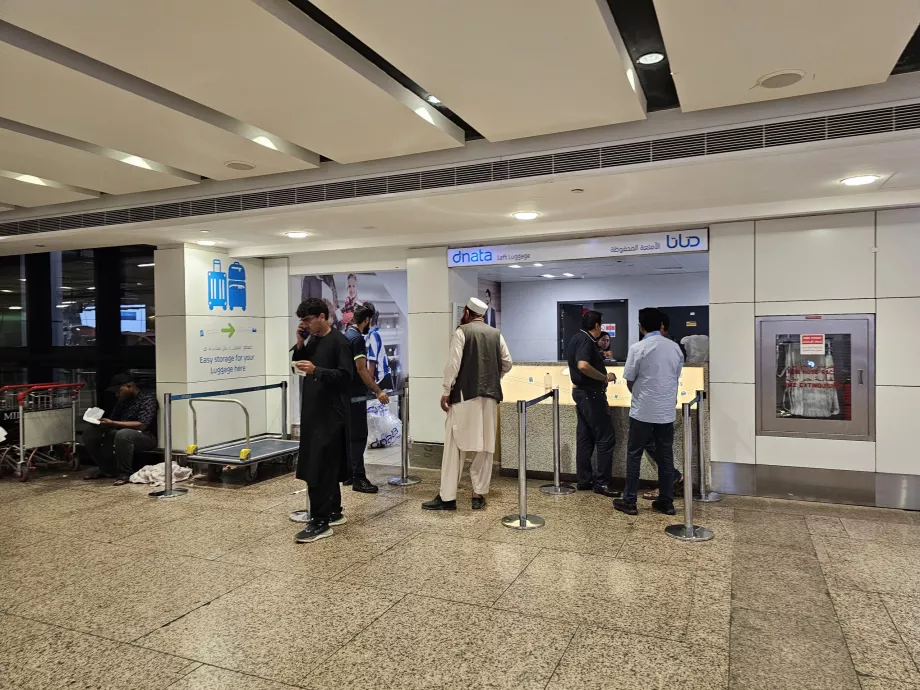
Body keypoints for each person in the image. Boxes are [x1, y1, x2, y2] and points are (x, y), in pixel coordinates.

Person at [423, 297, 512, 511]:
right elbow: (507, 362)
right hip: (490, 397)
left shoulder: (462, 331)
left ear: (466, 312)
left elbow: (453, 365)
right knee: (485, 446)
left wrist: (446, 391)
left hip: (464, 397)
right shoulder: (495, 334)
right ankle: (478, 495)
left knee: (455, 446)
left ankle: (448, 497)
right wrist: (493, 376)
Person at [291, 298, 353, 543]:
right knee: (324, 464)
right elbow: (299, 364)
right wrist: (300, 342)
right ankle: (334, 511)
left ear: (323, 316)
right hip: (314, 412)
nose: (306, 324)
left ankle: (320, 521)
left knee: (320, 466)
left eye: (308, 320)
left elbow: (346, 376)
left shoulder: (340, 342)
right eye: (303, 321)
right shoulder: (313, 340)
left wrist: (317, 371)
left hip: (331, 415)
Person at [614, 308, 685, 516]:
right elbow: (675, 376)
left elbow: (629, 378)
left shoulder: (638, 348)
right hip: (666, 411)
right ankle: (666, 501)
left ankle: (629, 501)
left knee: (634, 453)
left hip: (642, 410)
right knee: (665, 455)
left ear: (641, 326)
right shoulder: (675, 349)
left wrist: (639, 394)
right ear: (661, 325)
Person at [565, 310, 620, 498]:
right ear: (597, 326)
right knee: (606, 437)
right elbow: (583, 365)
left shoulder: (576, 338)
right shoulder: (586, 340)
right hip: (591, 394)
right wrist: (604, 377)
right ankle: (602, 483)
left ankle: (584, 479)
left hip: (581, 393)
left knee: (585, 437)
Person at [344, 302, 390, 494]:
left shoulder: (346, 336)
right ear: (367, 320)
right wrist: (378, 390)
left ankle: (348, 474)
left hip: (344, 394)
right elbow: (362, 369)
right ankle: (359, 478)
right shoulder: (358, 340)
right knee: (358, 436)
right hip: (355, 395)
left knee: (348, 436)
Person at [82, 373, 158, 485]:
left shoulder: (147, 398)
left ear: (129, 387)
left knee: (123, 434)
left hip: (146, 435)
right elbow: (114, 419)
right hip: (120, 431)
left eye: (119, 390)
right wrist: (100, 422)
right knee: (90, 433)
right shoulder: (122, 400)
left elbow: (142, 424)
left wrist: (113, 423)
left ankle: (125, 473)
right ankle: (105, 469)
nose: (116, 394)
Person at [641, 310, 684, 501]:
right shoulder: (675, 347)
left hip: (648, 406)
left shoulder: (642, 347)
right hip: (665, 405)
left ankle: (670, 483)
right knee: (662, 448)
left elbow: (631, 378)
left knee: (652, 445)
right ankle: (668, 490)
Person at [365, 310, 393, 391]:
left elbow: (372, 362)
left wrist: (370, 385)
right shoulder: (371, 335)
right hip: (381, 378)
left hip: (382, 379)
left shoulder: (373, 335)